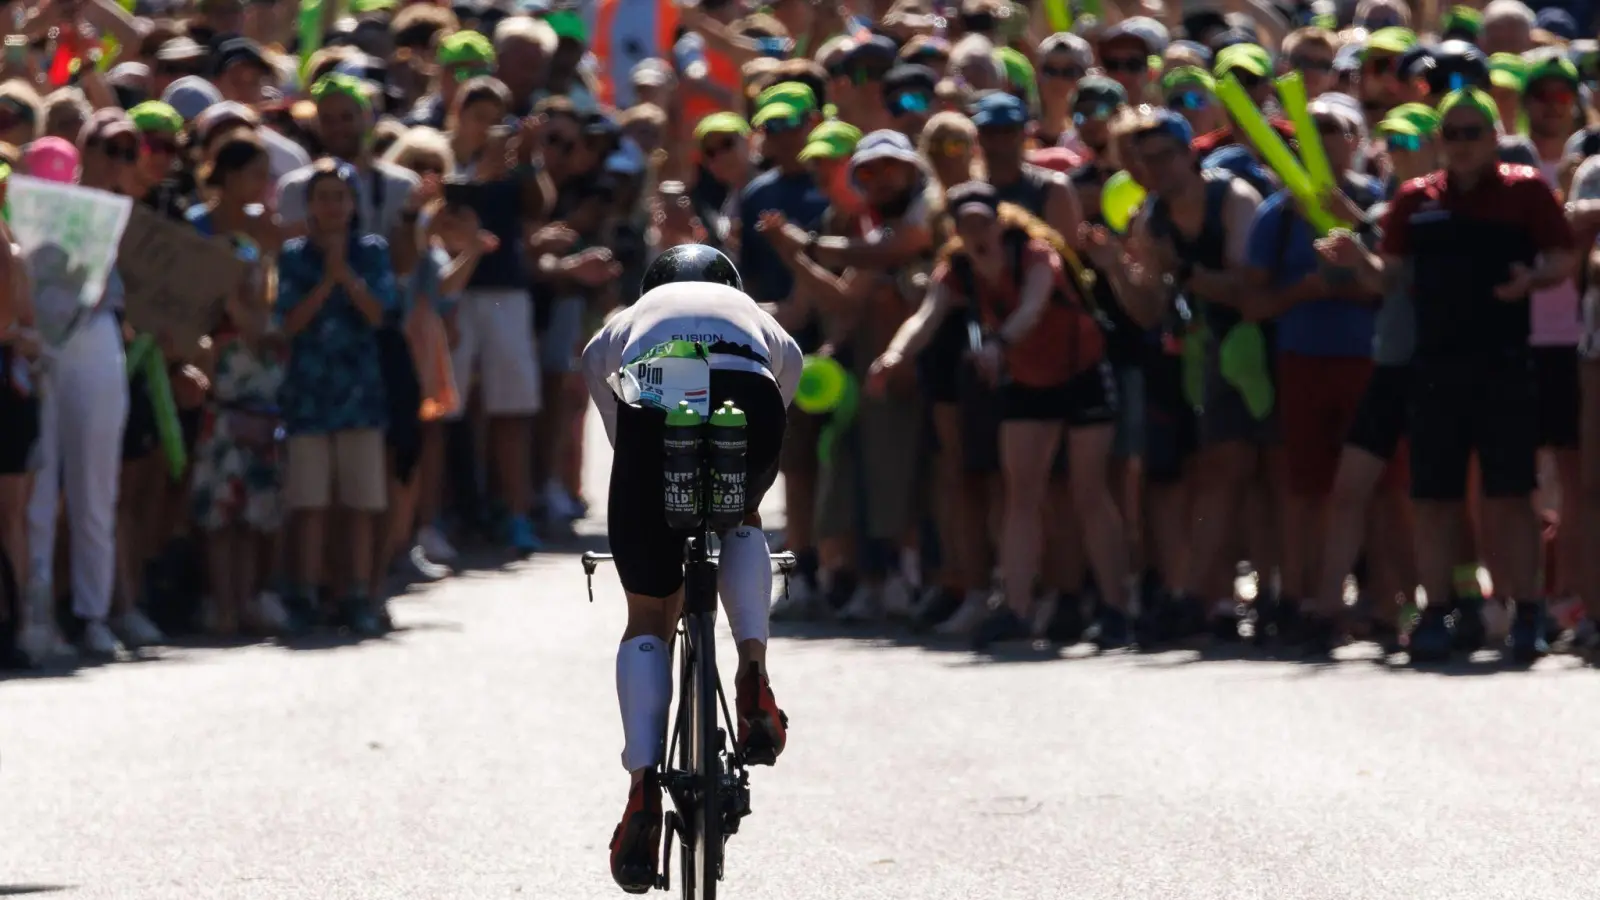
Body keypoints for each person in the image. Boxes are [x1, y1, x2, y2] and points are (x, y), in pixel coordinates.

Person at [1322, 87, 1575, 662]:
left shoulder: (1525, 190)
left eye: (1471, 134)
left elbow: (1562, 257)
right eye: (1451, 135)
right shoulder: (1415, 200)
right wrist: (1357, 260)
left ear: (1493, 137)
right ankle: (1437, 610)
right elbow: (1389, 277)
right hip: (1433, 368)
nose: (1460, 146)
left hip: (1506, 366)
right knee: (1433, 497)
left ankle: (1526, 611)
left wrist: (1532, 281)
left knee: (1511, 496)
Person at [581, 244, 798, 894]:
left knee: (649, 610)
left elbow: (623, 435)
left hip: (655, 387)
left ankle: (644, 784)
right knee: (743, 515)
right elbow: (777, 405)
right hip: (748, 384)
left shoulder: (621, 323)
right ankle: (753, 668)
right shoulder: (757, 315)